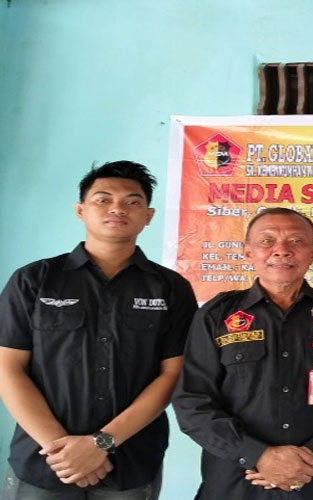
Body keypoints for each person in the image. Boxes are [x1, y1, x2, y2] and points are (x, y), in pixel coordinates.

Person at [0, 161, 198, 499]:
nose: (117, 209)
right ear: (81, 210)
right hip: (45, 461)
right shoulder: (34, 280)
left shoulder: (171, 288)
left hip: (132, 462)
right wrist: (64, 450)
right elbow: (8, 368)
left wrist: (100, 444)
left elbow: (172, 375)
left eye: (132, 201)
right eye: (103, 199)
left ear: (148, 216)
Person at [173, 207, 313, 499]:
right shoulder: (217, 315)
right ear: (248, 252)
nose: (282, 250)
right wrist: (257, 455)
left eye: (296, 241)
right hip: (239, 481)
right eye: (267, 241)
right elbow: (193, 401)